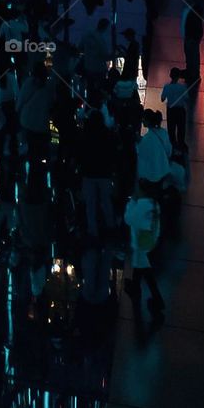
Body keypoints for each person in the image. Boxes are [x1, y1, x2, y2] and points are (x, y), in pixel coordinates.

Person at [124, 181, 165, 317]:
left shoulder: (141, 205)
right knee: (142, 270)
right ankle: (136, 289)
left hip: (141, 246)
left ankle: (156, 300)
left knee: (145, 272)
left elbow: (129, 219)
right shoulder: (154, 204)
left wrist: (131, 204)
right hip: (149, 243)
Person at [78, 108, 116, 239]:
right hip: (105, 173)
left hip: (88, 173)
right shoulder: (108, 134)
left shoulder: (84, 135)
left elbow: (80, 154)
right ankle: (110, 227)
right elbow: (112, 152)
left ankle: (92, 231)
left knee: (90, 204)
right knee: (106, 202)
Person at [136, 108, 172, 194]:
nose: (142, 121)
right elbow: (169, 150)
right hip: (163, 170)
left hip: (151, 175)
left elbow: (141, 156)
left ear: (148, 121)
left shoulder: (146, 139)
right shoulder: (163, 133)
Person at [161, 68, 187, 149]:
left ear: (170, 75)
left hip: (171, 110)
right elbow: (187, 98)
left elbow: (162, 99)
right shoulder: (183, 87)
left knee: (171, 129)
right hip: (180, 110)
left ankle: (172, 145)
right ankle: (181, 144)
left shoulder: (167, 87)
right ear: (179, 76)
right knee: (181, 128)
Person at [181, 3, 204, 87]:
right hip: (193, 40)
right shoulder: (197, 19)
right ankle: (193, 74)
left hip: (191, 40)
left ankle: (191, 74)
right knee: (193, 58)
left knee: (190, 58)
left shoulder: (191, 17)